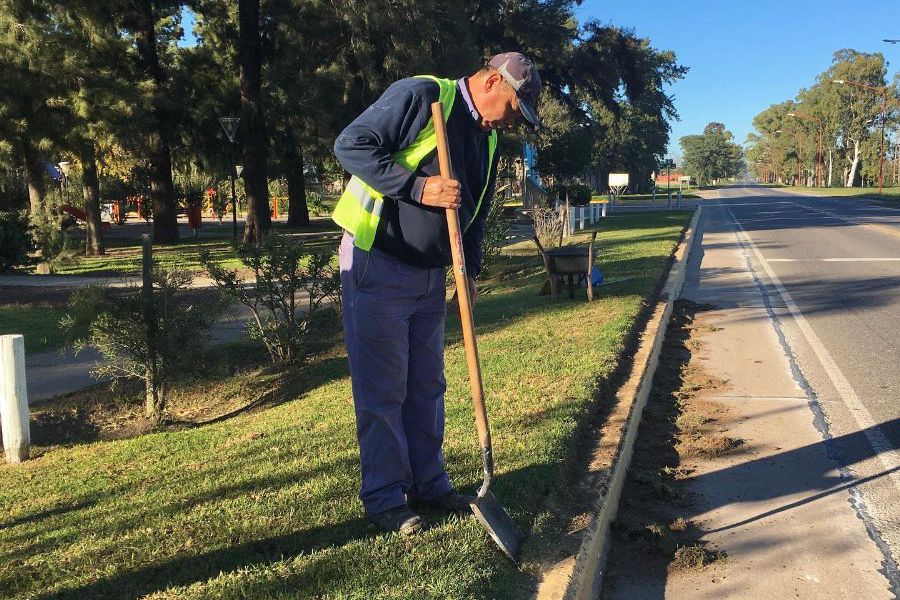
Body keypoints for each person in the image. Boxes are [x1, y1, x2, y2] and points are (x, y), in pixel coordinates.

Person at [333, 52, 541, 535]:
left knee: (427, 385)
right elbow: (351, 146)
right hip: (377, 260)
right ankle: (385, 497)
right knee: (383, 389)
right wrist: (418, 187)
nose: (512, 122)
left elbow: (476, 210)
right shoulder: (423, 95)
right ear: (492, 81)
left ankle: (430, 483)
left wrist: (468, 271)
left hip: (430, 275)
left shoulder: (487, 140)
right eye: (513, 108)